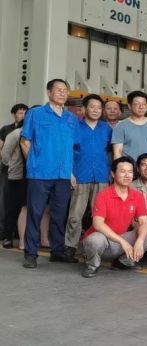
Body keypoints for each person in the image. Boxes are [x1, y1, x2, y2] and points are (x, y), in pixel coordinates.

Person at [20, 79, 78, 268]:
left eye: (65, 90)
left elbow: (73, 147)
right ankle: (30, 254)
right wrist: (34, 164)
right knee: (35, 214)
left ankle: (57, 251)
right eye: (58, 90)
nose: (62, 93)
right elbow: (25, 141)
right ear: (49, 92)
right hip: (40, 174)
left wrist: (70, 172)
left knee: (59, 215)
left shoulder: (71, 119)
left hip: (63, 175)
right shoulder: (36, 114)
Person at [80, 157, 147, 278]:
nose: (127, 175)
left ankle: (123, 262)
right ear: (113, 174)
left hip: (119, 242)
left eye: (130, 172)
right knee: (95, 239)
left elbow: (143, 222)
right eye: (123, 171)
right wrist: (122, 241)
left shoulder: (137, 196)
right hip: (102, 244)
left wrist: (140, 241)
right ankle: (92, 265)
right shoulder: (103, 195)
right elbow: (98, 224)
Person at [64, 94, 112, 260]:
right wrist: (70, 173)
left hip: (102, 176)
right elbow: (67, 151)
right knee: (75, 215)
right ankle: (70, 246)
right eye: (92, 107)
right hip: (80, 175)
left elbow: (111, 152)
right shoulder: (75, 127)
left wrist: (111, 172)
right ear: (84, 109)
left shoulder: (107, 129)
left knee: (100, 216)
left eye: (99, 108)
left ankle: (96, 247)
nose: (96, 110)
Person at [112, 91, 147, 178]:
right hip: (130, 172)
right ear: (129, 106)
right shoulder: (121, 125)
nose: (141, 107)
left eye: (144, 104)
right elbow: (118, 151)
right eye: (137, 104)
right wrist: (119, 171)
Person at [0, 103, 28, 242]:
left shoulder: (39, 134)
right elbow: (5, 156)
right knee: (12, 206)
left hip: (33, 177)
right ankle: (7, 236)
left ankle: (20, 235)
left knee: (26, 207)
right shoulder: (14, 133)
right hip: (16, 175)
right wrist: (12, 166)